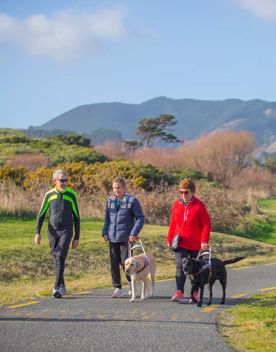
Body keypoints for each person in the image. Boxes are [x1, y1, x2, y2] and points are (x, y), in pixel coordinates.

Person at [34, 169, 80, 298]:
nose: (64, 183)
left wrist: (76, 237)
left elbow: (76, 216)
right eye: (62, 180)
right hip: (52, 231)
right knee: (57, 257)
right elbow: (41, 214)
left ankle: (56, 287)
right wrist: (37, 232)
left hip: (67, 230)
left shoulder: (71, 195)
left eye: (66, 180)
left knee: (60, 255)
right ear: (55, 181)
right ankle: (62, 285)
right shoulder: (49, 194)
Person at [166, 178, 211, 303]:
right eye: (181, 192)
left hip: (196, 243)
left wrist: (204, 241)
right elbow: (173, 223)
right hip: (180, 242)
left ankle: (194, 293)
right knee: (180, 266)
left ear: (192, 192)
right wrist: (169, 238)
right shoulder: (176, 204)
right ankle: (179, 292)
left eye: (186, 192)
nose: (183, 195)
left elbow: (206, 224)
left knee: (196, 269)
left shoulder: (199, 206)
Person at [102, 176, 145, 298]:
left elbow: (140, 218)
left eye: (119, 188)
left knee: (125, 262)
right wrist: (105, 232)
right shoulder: (110, 200)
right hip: (112, 237)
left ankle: (131, 283)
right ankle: (117, 287)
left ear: (124, 188)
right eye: (114, 188)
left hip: (126, 238)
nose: (116, 190)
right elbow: (107, 218)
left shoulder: (132, 201)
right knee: (114, 263)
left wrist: (133, 233)